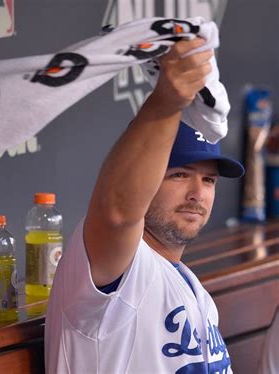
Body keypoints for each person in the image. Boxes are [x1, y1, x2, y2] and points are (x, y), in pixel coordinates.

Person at [44, 37, 244, 373]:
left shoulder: (194, 291)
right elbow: (118, 213)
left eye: (209, 180)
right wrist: (167, 101)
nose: (198, 192)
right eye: (180, 174)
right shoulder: (118, 269)